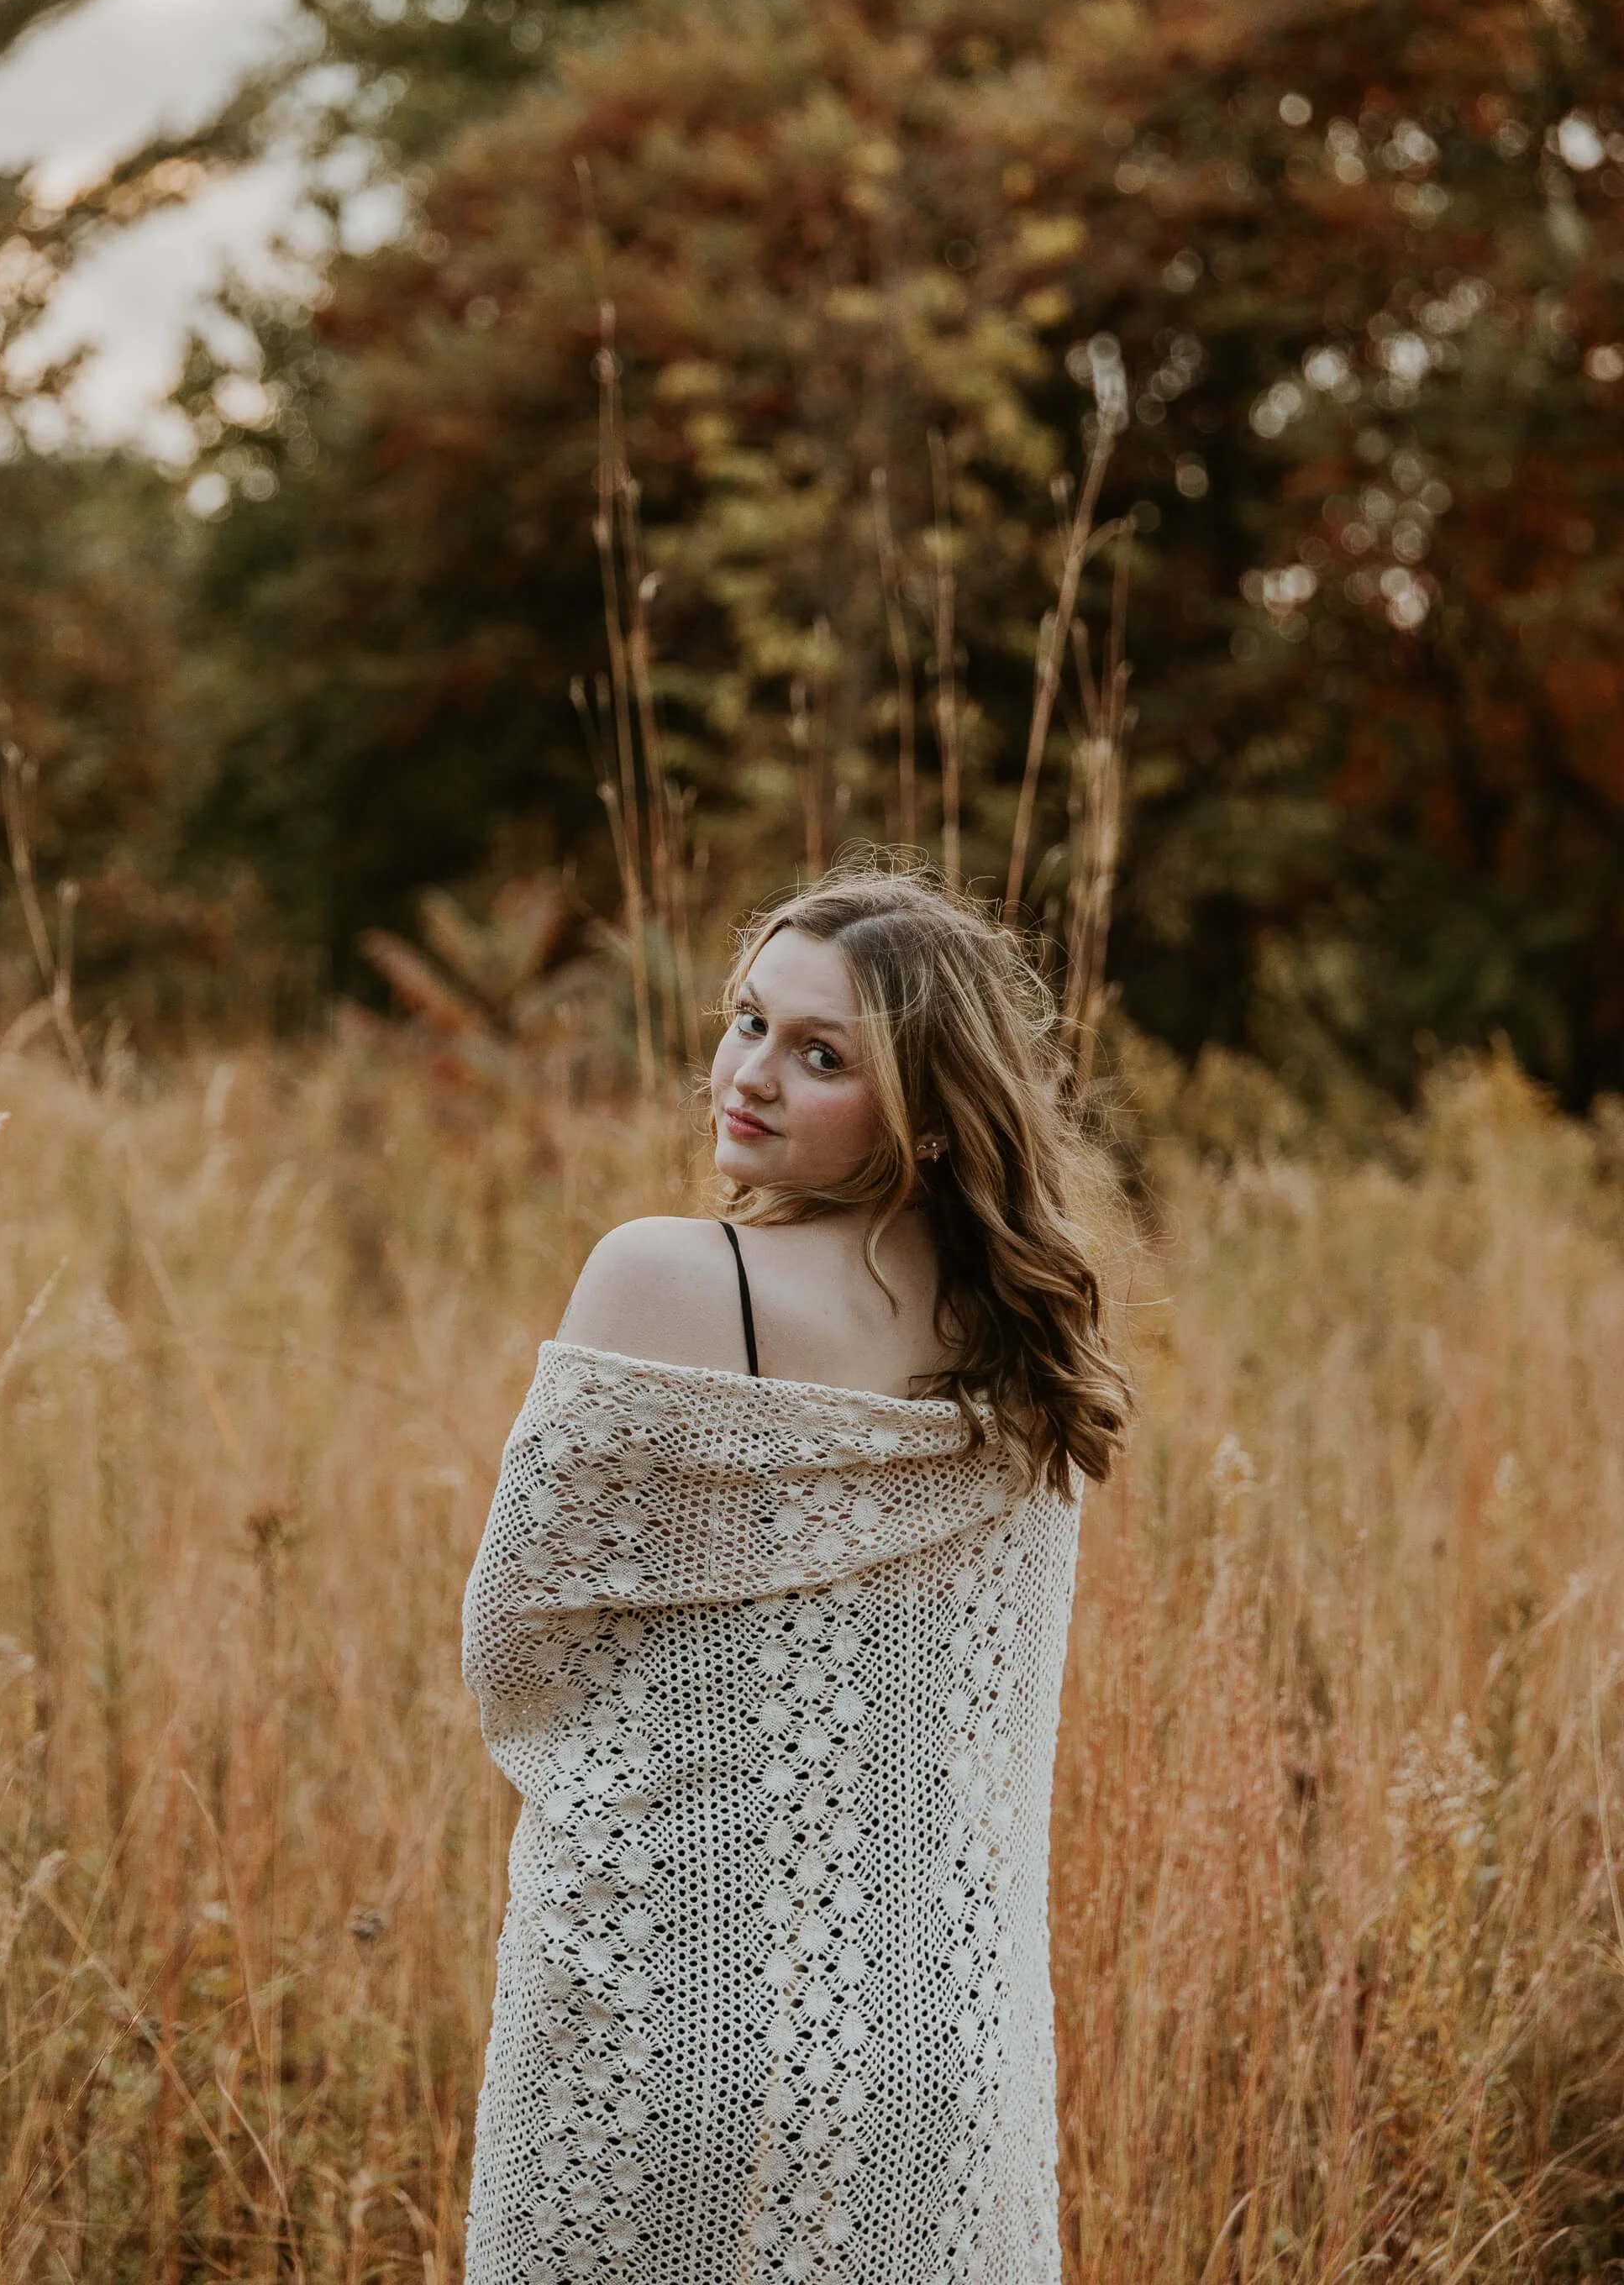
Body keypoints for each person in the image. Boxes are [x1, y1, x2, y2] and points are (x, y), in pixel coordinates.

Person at [460, 858, 1131, 2285]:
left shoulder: (666, 1274)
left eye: (820, 1055)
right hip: (948, 2056)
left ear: (932, 1120)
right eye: (750, 1020)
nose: (747, 1075)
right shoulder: (1033, 1344)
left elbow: (514, 1650)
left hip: (671, 2034)